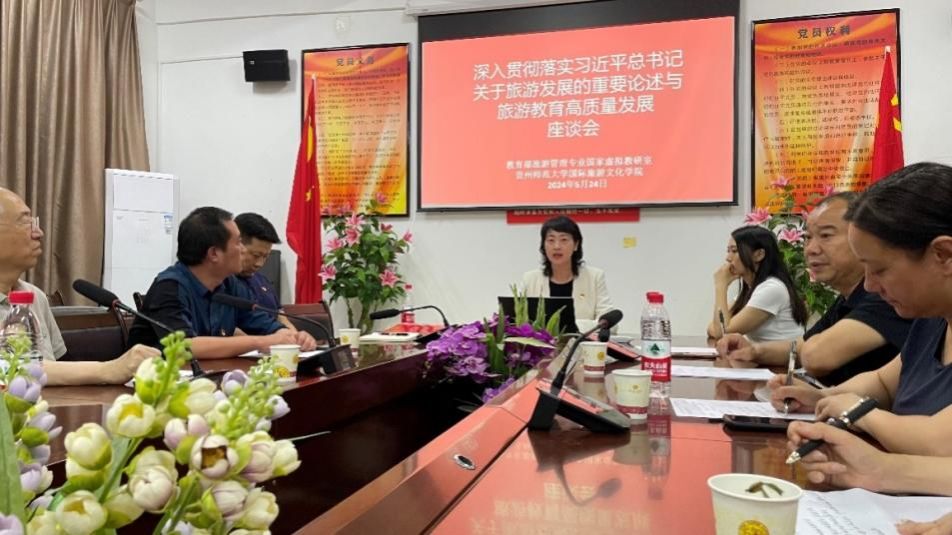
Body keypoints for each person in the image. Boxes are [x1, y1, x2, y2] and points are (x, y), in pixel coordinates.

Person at [776, 162, 952, 457]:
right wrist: (822, 397)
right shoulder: (932, 320)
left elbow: (941, 442)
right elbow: (883, 383)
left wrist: (860, 414)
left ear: (943, 254)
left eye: (879, 270)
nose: (869, 285)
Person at [717, 193, 912, 385]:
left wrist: (720, 285)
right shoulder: (847, 298)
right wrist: (754, 351)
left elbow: (816, 357)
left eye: (826, 235)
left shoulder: (886, 296)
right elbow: (801, 346)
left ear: (865, 240)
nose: (811, 249)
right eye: (808, 238)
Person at [0, 188, 158, 385]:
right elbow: (10, 370)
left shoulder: (34, 297)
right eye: (25, 222)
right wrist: (110, 369)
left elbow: (55, 367)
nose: (38, 233)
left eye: (35, 223)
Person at [128, 207, 316, 359]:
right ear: (214, 254)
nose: (242, 250)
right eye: (238, 242)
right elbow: (185, 346)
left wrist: (292, 337)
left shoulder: (229, 284)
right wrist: (261, 342)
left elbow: (263, 323)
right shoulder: (169, 287)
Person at [707, 225, 807, 343]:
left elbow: (722, 332)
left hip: (785, 355)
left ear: (759, 254)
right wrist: (718, 329)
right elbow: (714, 328)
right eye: (728, 251)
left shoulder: (771, 289)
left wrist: (721, 286)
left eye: (734, 251)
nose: (728, 258)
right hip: (762, 354)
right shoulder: (752, 289)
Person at [521, 215, 614, 326]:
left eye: (564, 240)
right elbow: (517, 321)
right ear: (543, 245)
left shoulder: (594, 277)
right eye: (551, 240)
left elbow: (610, 324)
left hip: (580, 338)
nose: (556, 246)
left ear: (576, 245)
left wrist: (568, 326)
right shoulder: (530, 279)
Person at [234, 212, 295, 331]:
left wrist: (295, 337)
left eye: (265, 256)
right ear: (237, 245)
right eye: (256, 255)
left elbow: (280, 317)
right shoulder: (222, 283)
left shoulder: (262, 280)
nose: (260, 264)